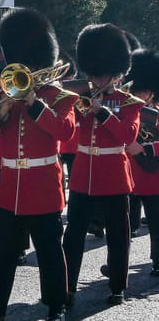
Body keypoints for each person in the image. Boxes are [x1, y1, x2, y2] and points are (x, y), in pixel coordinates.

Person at [0, 8, 77, 321]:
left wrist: (34, 102)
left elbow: (65, 131)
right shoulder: (3, 95)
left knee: (49, 252)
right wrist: (2, 108)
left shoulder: (59, 96)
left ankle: (57, 305)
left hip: (44, 185)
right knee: (3, 252)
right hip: (10, 187)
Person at [63, 23, 145, 306]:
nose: (98, 80)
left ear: (117, 73)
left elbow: (128, 135)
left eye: (103, 76)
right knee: (73, 233)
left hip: (113, 171)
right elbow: (68, 130)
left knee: (118, 234)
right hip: (84, 170)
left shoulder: (129, 102)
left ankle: (117, 286)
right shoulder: (80, 96)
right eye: (95, 75)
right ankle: (67, 284)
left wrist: (104, 113)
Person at [118, 48, 159, 277]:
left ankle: (158, 260)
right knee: (124, 227)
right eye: (138, 91)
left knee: (156, 222)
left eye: (144, 92)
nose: (140, 95)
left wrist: (145, 148)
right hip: (130, 174)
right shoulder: (128, 109)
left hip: (153, 175)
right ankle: (119, 266)